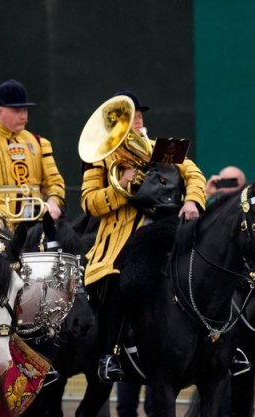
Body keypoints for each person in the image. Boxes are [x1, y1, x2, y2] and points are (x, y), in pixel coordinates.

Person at [82, 90, 205, 382]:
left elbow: (194, 175)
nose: (136, 120)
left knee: (206, 265)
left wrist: (192, 201)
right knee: (115, 277)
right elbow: (89, 203)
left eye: (138, 115)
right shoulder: (100, 158)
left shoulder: (161, 147)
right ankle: (108, 354)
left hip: (167, 229)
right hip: (120, 237)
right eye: (129, 116)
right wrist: (120, 187)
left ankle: (216, 340)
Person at [0, 80, 65, 226]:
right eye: (17, 111)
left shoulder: (40, 143)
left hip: (35, 227)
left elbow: (55, 182)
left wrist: (53, 202)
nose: (23, 116)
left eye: (25, 110)